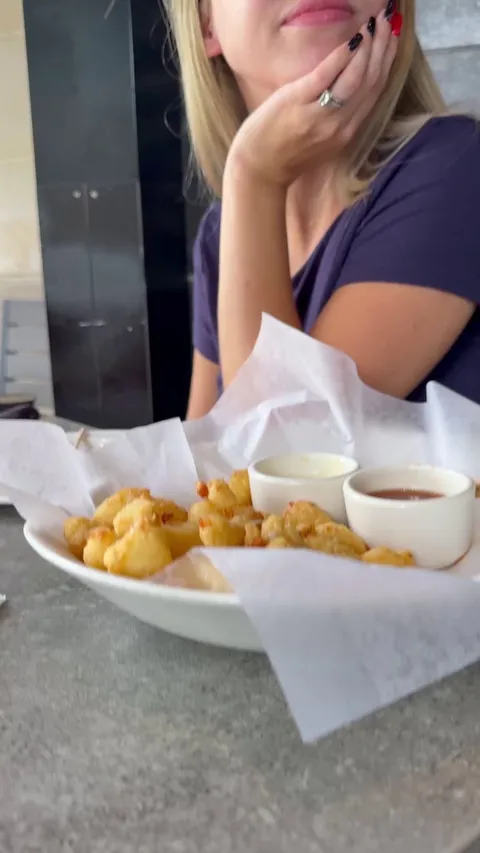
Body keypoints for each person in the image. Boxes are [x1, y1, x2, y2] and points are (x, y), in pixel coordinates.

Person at [164, 0, 480, 419]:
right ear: (207, 27)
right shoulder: (221, 232)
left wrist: (254, 174)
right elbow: (205, 468)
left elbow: (282, 443)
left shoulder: (457, 164)